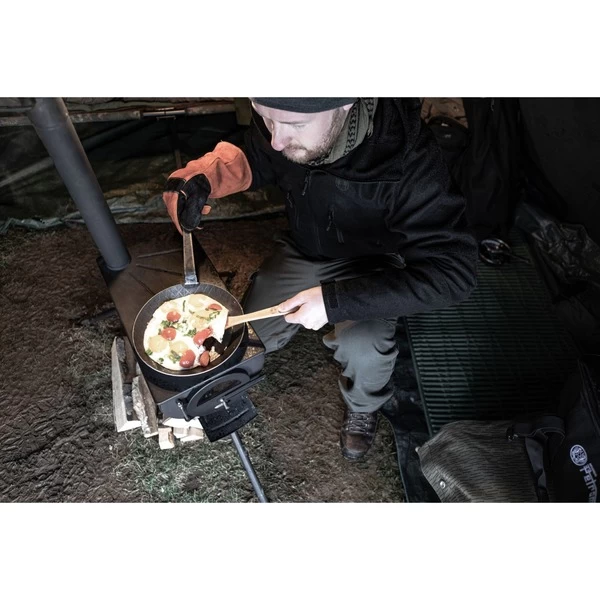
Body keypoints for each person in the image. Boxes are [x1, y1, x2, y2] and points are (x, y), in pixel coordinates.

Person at [163, 98, 478, 460]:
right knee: (242, 335)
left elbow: (454, 272)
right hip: (306, 251)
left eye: (294, 125)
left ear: (345, 102)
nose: (278, 140)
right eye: (266, 119)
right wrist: (205, 175)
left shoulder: (410, 159)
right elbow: (258, 154)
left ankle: (363, 405)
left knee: (364, 346)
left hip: (374, 266)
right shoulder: (281, 121)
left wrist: (332, 302)